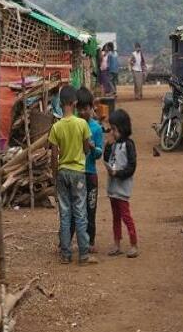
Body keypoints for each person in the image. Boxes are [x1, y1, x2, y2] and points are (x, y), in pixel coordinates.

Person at [49, 86, 98, 265]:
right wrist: (87, 146)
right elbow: (86, 149)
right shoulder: (82, 124)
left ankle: (66, 254)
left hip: (62, 172)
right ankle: (83, 254)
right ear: (74, 103)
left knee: (65, 214)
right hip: (78, 173)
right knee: (80, 212)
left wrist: (55, 176)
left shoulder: (56, 127)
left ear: (61, 104)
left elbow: (54, 155)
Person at [70, 87, 104, 252]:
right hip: (75, 173)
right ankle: (66, 240)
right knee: (72, 209)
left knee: (90, 209)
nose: (83, 112)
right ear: (76, 108)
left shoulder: (96, 128)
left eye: (86, 108)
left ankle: (90, 242)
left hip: (90, 174)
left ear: (92, 107)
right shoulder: (72, 124)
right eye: (80, 108)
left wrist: (92, 148)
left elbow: (99, 153)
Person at [104, 109, 139, 258]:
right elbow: (106, 158)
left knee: (126, 216)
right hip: (113, 187)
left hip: (122, 188)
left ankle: (134, 243)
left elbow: (131, 167)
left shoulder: (128, 145)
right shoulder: (114, 144)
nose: (112, 132)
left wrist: (118, 174)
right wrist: (107, 146)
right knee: (115, 217)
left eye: (114, 129)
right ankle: (117, 243)